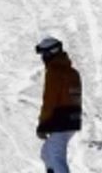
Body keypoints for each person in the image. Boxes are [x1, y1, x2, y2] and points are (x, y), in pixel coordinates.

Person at [35, 37, 82, 173]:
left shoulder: (54, 72)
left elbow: (50, 99)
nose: (43, 58)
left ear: (51, 53)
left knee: (55, 155)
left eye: (44, 54)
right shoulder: (72, 72)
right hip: (71, 120)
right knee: (47, 152)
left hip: (60, 121)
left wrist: (43, 124)